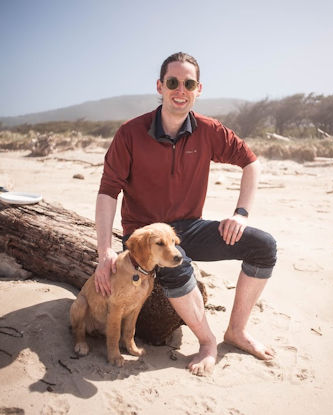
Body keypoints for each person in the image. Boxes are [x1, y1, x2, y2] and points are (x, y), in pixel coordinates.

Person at [94, 52, 277, 376]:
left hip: (187, 228)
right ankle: (208, 343)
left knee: (264, 246)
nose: (181, 89)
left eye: (188, 83)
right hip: (145, 236)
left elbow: (251, 163)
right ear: (160, 86)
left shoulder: (208, 130)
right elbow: (108, 191)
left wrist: (241, 213)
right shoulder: (131, 133)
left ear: (198, 88)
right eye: (173, 82)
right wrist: (105, 250)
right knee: (178, 266)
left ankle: (237, 331)